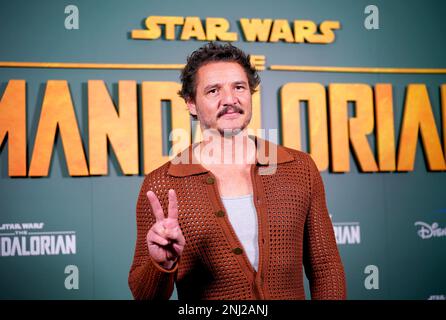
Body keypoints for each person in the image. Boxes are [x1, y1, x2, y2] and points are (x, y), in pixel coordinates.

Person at [128, 42, 346, 300]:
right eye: (213, 91)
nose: (229, 100)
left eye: (239, 87)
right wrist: (161, 265)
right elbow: (144, 296)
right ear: (191, 104)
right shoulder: (162, 184)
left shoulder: (299, 168)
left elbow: (326, 268)